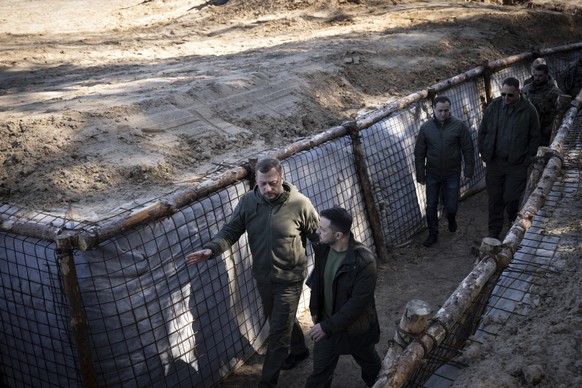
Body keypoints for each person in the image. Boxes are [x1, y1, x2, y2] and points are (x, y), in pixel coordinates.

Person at [185, 157, 319, 387]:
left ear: (282, 178)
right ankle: (299, 350)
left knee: (277, 332)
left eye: (273, 183)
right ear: (256, 180)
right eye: (263, 183)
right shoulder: (248, 202)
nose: (268, 188)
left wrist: (327, 274)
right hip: (264, 278)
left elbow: (320, 238)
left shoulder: (300, 204)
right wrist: (211, 249)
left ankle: (267, 382)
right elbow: (231, 230)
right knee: (278, 319)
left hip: (290, 279)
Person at [305, 207, 381, 388]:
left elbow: (357, 304)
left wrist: (327, 326)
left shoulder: (364, 261)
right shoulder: (323, 249)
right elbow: (317, 283)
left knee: (372, 368)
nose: (317, 232)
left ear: (338, 235)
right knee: (319, 376)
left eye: (322, 229)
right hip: (327, 324)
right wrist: (315, 310)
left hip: (354, 328)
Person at [478, 77, 541, 240]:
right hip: (495, 161)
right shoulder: (494, 106)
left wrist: (528, 159)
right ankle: (494, 230)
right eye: (503, 94)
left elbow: (535, 137)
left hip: (516, 164)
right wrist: (484, 152)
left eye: (510, 95)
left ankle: (513, 225)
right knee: (495, 198)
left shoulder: (529, 110)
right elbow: (483, 130)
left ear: (518, 92)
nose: (506, 98)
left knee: (511, 198)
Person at [414, 96, 475, 247]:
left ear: (450, 109)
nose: (443, 114)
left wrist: (468, 171)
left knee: (452, 204)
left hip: (452, 173)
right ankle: (433, 234)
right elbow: (419, 153)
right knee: (431, 206)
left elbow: (468, 149)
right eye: (440, 110)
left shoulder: (459, 125)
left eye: (446, 110)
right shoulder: (426, 128)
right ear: (433, 109)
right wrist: (421, 174)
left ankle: (451, 218)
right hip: (433, 173)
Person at [522, 64, 564, 146]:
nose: (537, 78)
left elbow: (561, 113)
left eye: (540, 76)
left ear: (546, 75)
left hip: (545, 133)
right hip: (527, 130)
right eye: (535, 75)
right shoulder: (526, 89)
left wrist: (550, 128)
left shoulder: (555, 92)